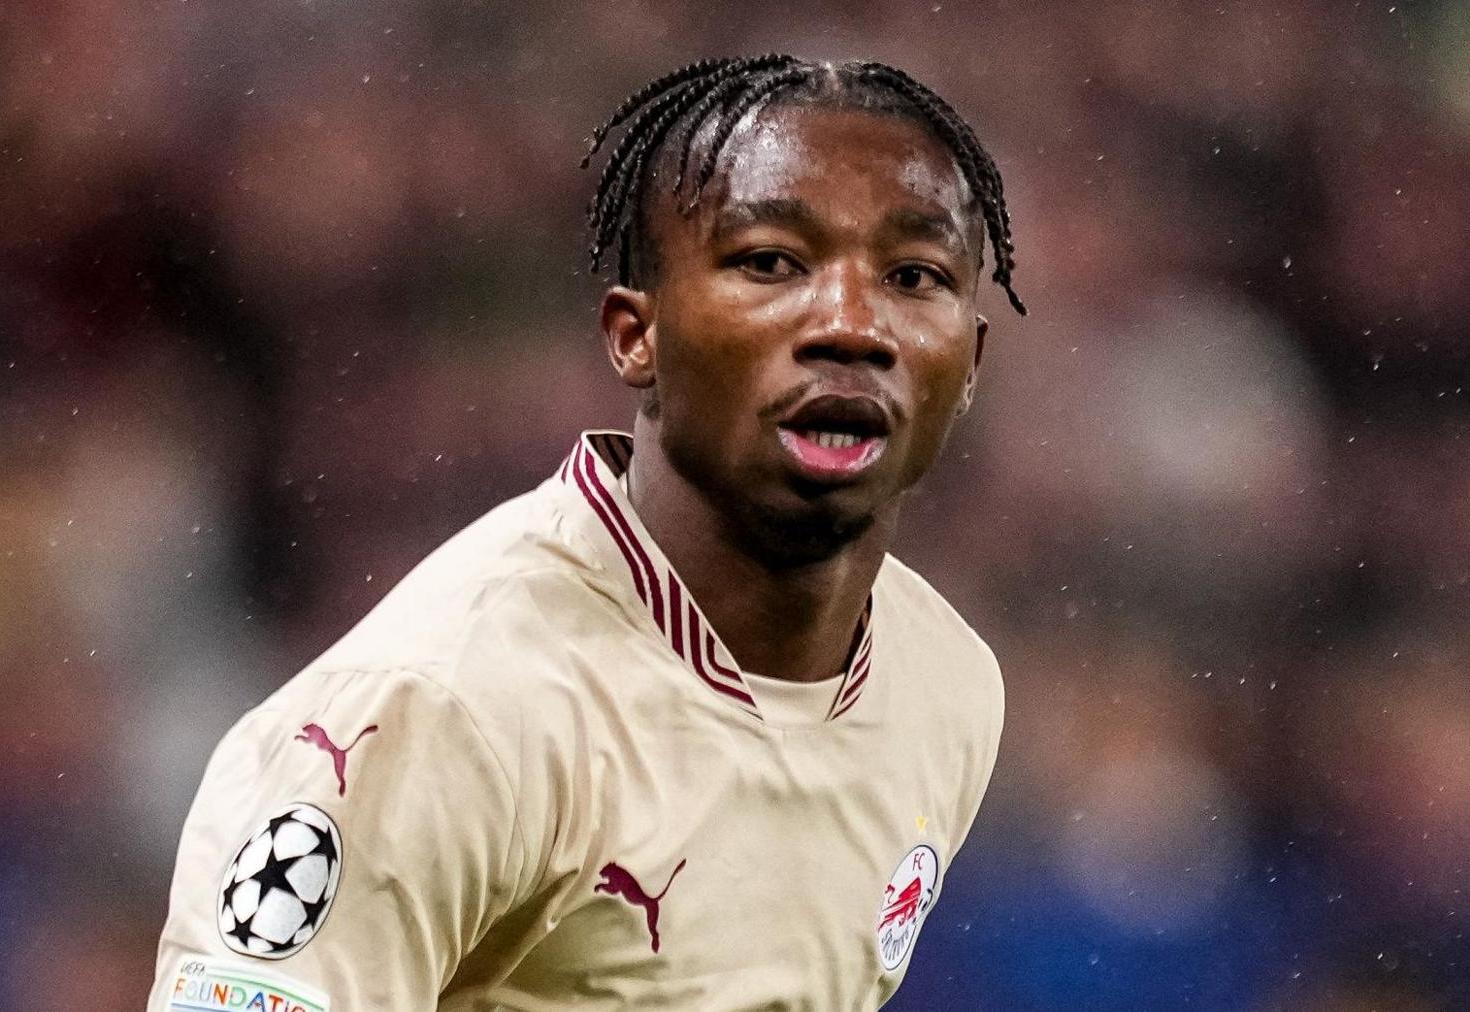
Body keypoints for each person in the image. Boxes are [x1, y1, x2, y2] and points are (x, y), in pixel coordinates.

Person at [147, 54, 1025, 1010]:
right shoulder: (445, 705)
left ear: (970, 361)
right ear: (633, 336)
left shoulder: (947, 688)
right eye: (770, 261)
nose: (853, 325)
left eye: (914, 275)